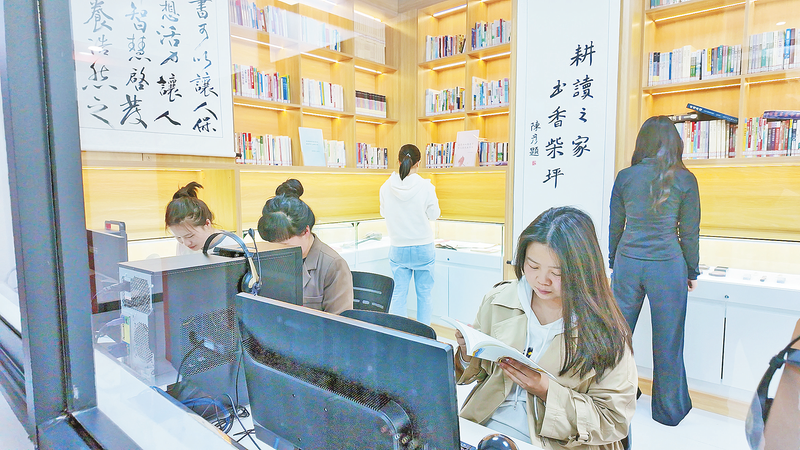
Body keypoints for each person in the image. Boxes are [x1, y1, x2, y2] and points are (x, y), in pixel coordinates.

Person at [456, 207, 637, 449]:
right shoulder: (499, 299)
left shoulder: (606, 331)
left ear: (583, 270)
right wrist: (467, 355)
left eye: (557, 273)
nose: (542, 280)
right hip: (484, 426)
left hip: (559, 442)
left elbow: (613, 420)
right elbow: (478, 375)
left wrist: (546, 390)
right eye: (533, 266)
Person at [608, 115, 700, 426]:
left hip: (628, 263)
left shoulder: (625, 177)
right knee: (669, 341)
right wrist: (692, 271)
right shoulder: (685, 179)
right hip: (668, 266)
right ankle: (669, 411)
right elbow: (689, 233)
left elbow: (615, 226)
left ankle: (616, 395)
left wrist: (614, 262)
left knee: (617, 336)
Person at [258, 179, 353, 315]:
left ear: (305, 231)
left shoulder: (333, 266)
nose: (278, 251)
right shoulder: (271, 258)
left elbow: (339, 324)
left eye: (285, 245)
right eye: (273, 245)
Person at [379, 144, 441, 325]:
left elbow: (384, 213)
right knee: (425, 295)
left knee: (398, 294)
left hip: (398, 248)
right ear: (418, 163)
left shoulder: (385, 187)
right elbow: (434, 215)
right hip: (423, 248)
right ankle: (424, 335)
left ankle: (400, 335)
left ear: (398, 162)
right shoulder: (426, 186)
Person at [165, 181, 238, 255]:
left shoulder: (234, 245)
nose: (186, 243)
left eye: (190, 236)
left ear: (207, 224)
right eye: (178, 237)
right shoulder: (182, 246)